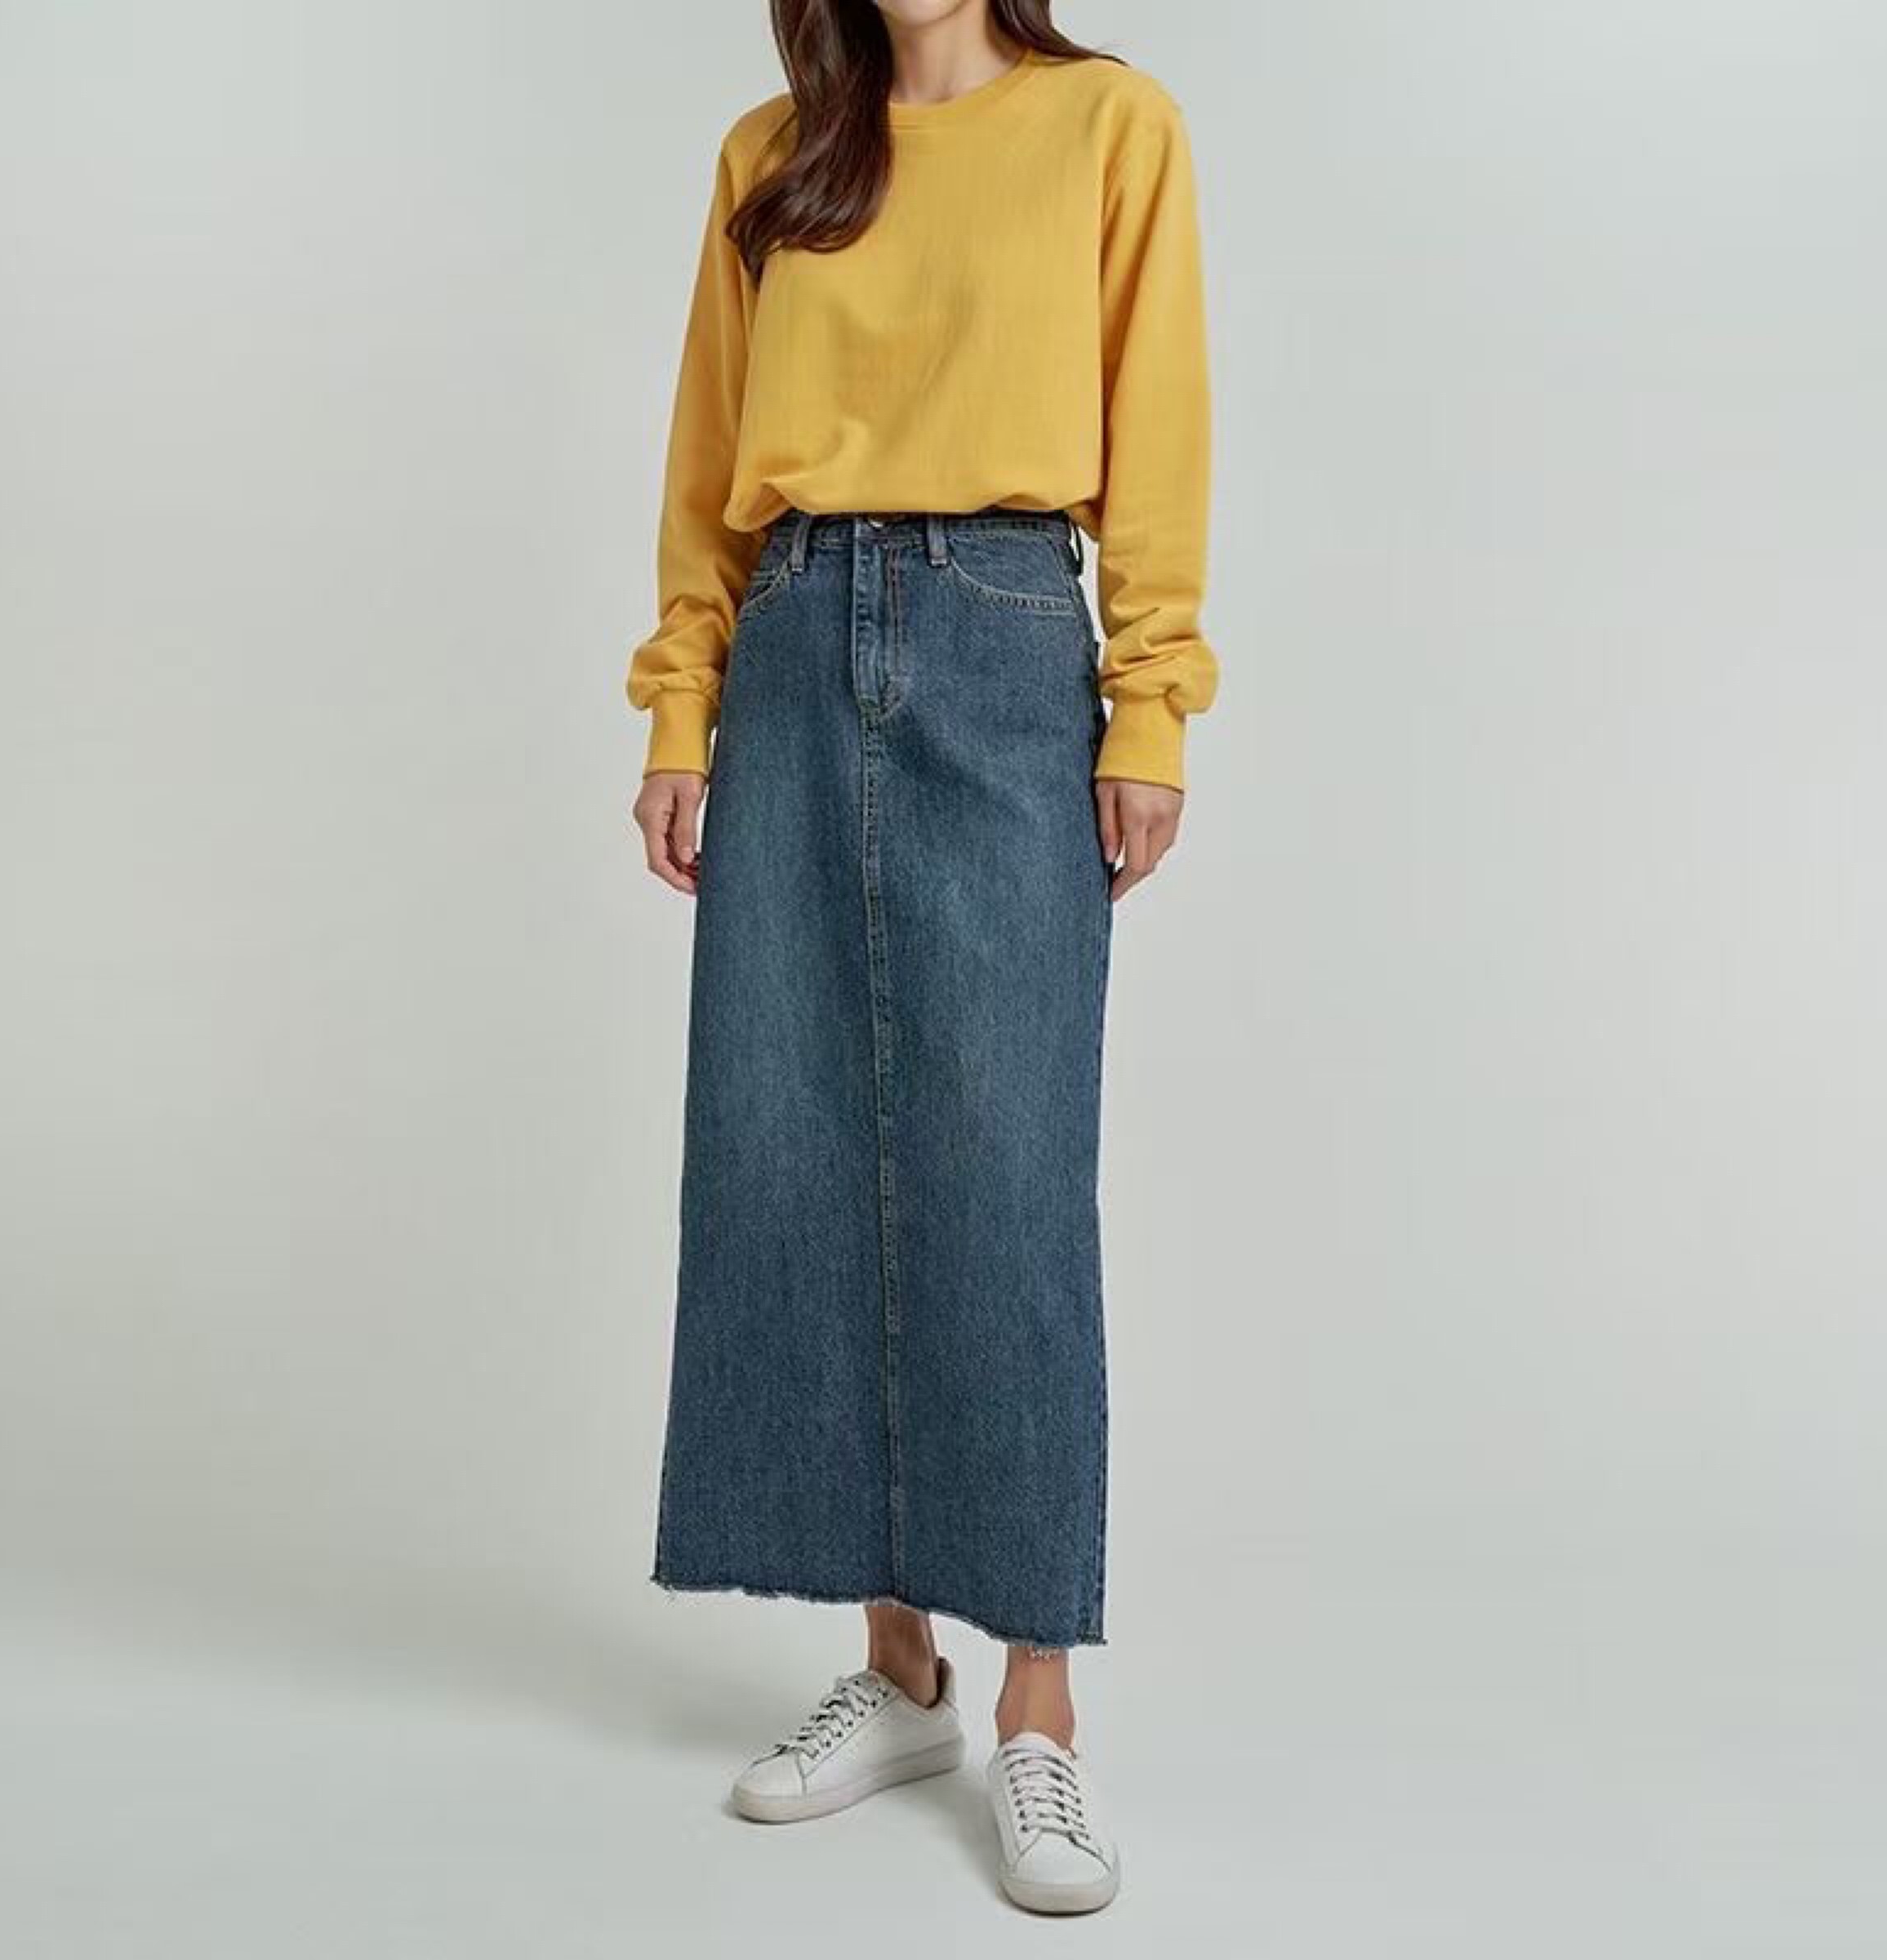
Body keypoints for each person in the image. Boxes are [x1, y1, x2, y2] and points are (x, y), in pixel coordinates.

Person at [626, 0, 1216, 1915]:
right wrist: (682, 705)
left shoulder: (1110, 126)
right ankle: (899, 1674)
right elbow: (707, 456)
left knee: (1005, 1169)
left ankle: (1038, 1704)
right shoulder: (774, 152)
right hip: (794, 640)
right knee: (797, 1148)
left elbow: (1159, 425)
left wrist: (1150, 708)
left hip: (1005, 634)